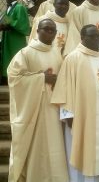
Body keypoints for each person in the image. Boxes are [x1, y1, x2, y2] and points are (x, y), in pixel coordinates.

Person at [51, 24, 99, 182]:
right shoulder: (73, 58)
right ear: (82, 38)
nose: (96, 39)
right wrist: (68, 114)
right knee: (81, 152)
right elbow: (64, 89)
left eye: (98, 36)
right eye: (92, 36)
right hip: (80, 117)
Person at [7, 19, 68, 182]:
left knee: (55, 146)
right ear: (38, 30)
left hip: (54, 106)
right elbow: (14, 78)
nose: (49, 33)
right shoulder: (26, 53)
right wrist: (41, 78)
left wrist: (57, 81)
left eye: (53, 30)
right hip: (34, 109)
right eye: (46, 29)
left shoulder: (56, 52)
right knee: (37, 146)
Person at [0, 0, 30, 84]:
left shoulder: (19, 7)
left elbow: (20, 22)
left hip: (16, 39)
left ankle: (17, 77)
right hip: (8, 37)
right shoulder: (9, 8)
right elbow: (6, 19)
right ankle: (7, 77)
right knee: (7, 56)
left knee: (15, 55)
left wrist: (8, 24)